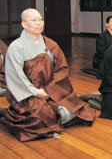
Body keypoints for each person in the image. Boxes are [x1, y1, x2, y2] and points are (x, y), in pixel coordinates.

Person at [0, 8, 95, 142]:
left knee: (74, 106)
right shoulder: (16, 47)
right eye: (34, 20)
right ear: (24, 24)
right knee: (40, 115)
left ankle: (10, 114)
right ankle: (10, 115)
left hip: (50, 89)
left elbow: (61, 69)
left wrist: (50, 89)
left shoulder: (50, 44)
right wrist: (35, 91)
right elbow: (15, 76)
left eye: (40, 19)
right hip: (28, 94)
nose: (39, 23)